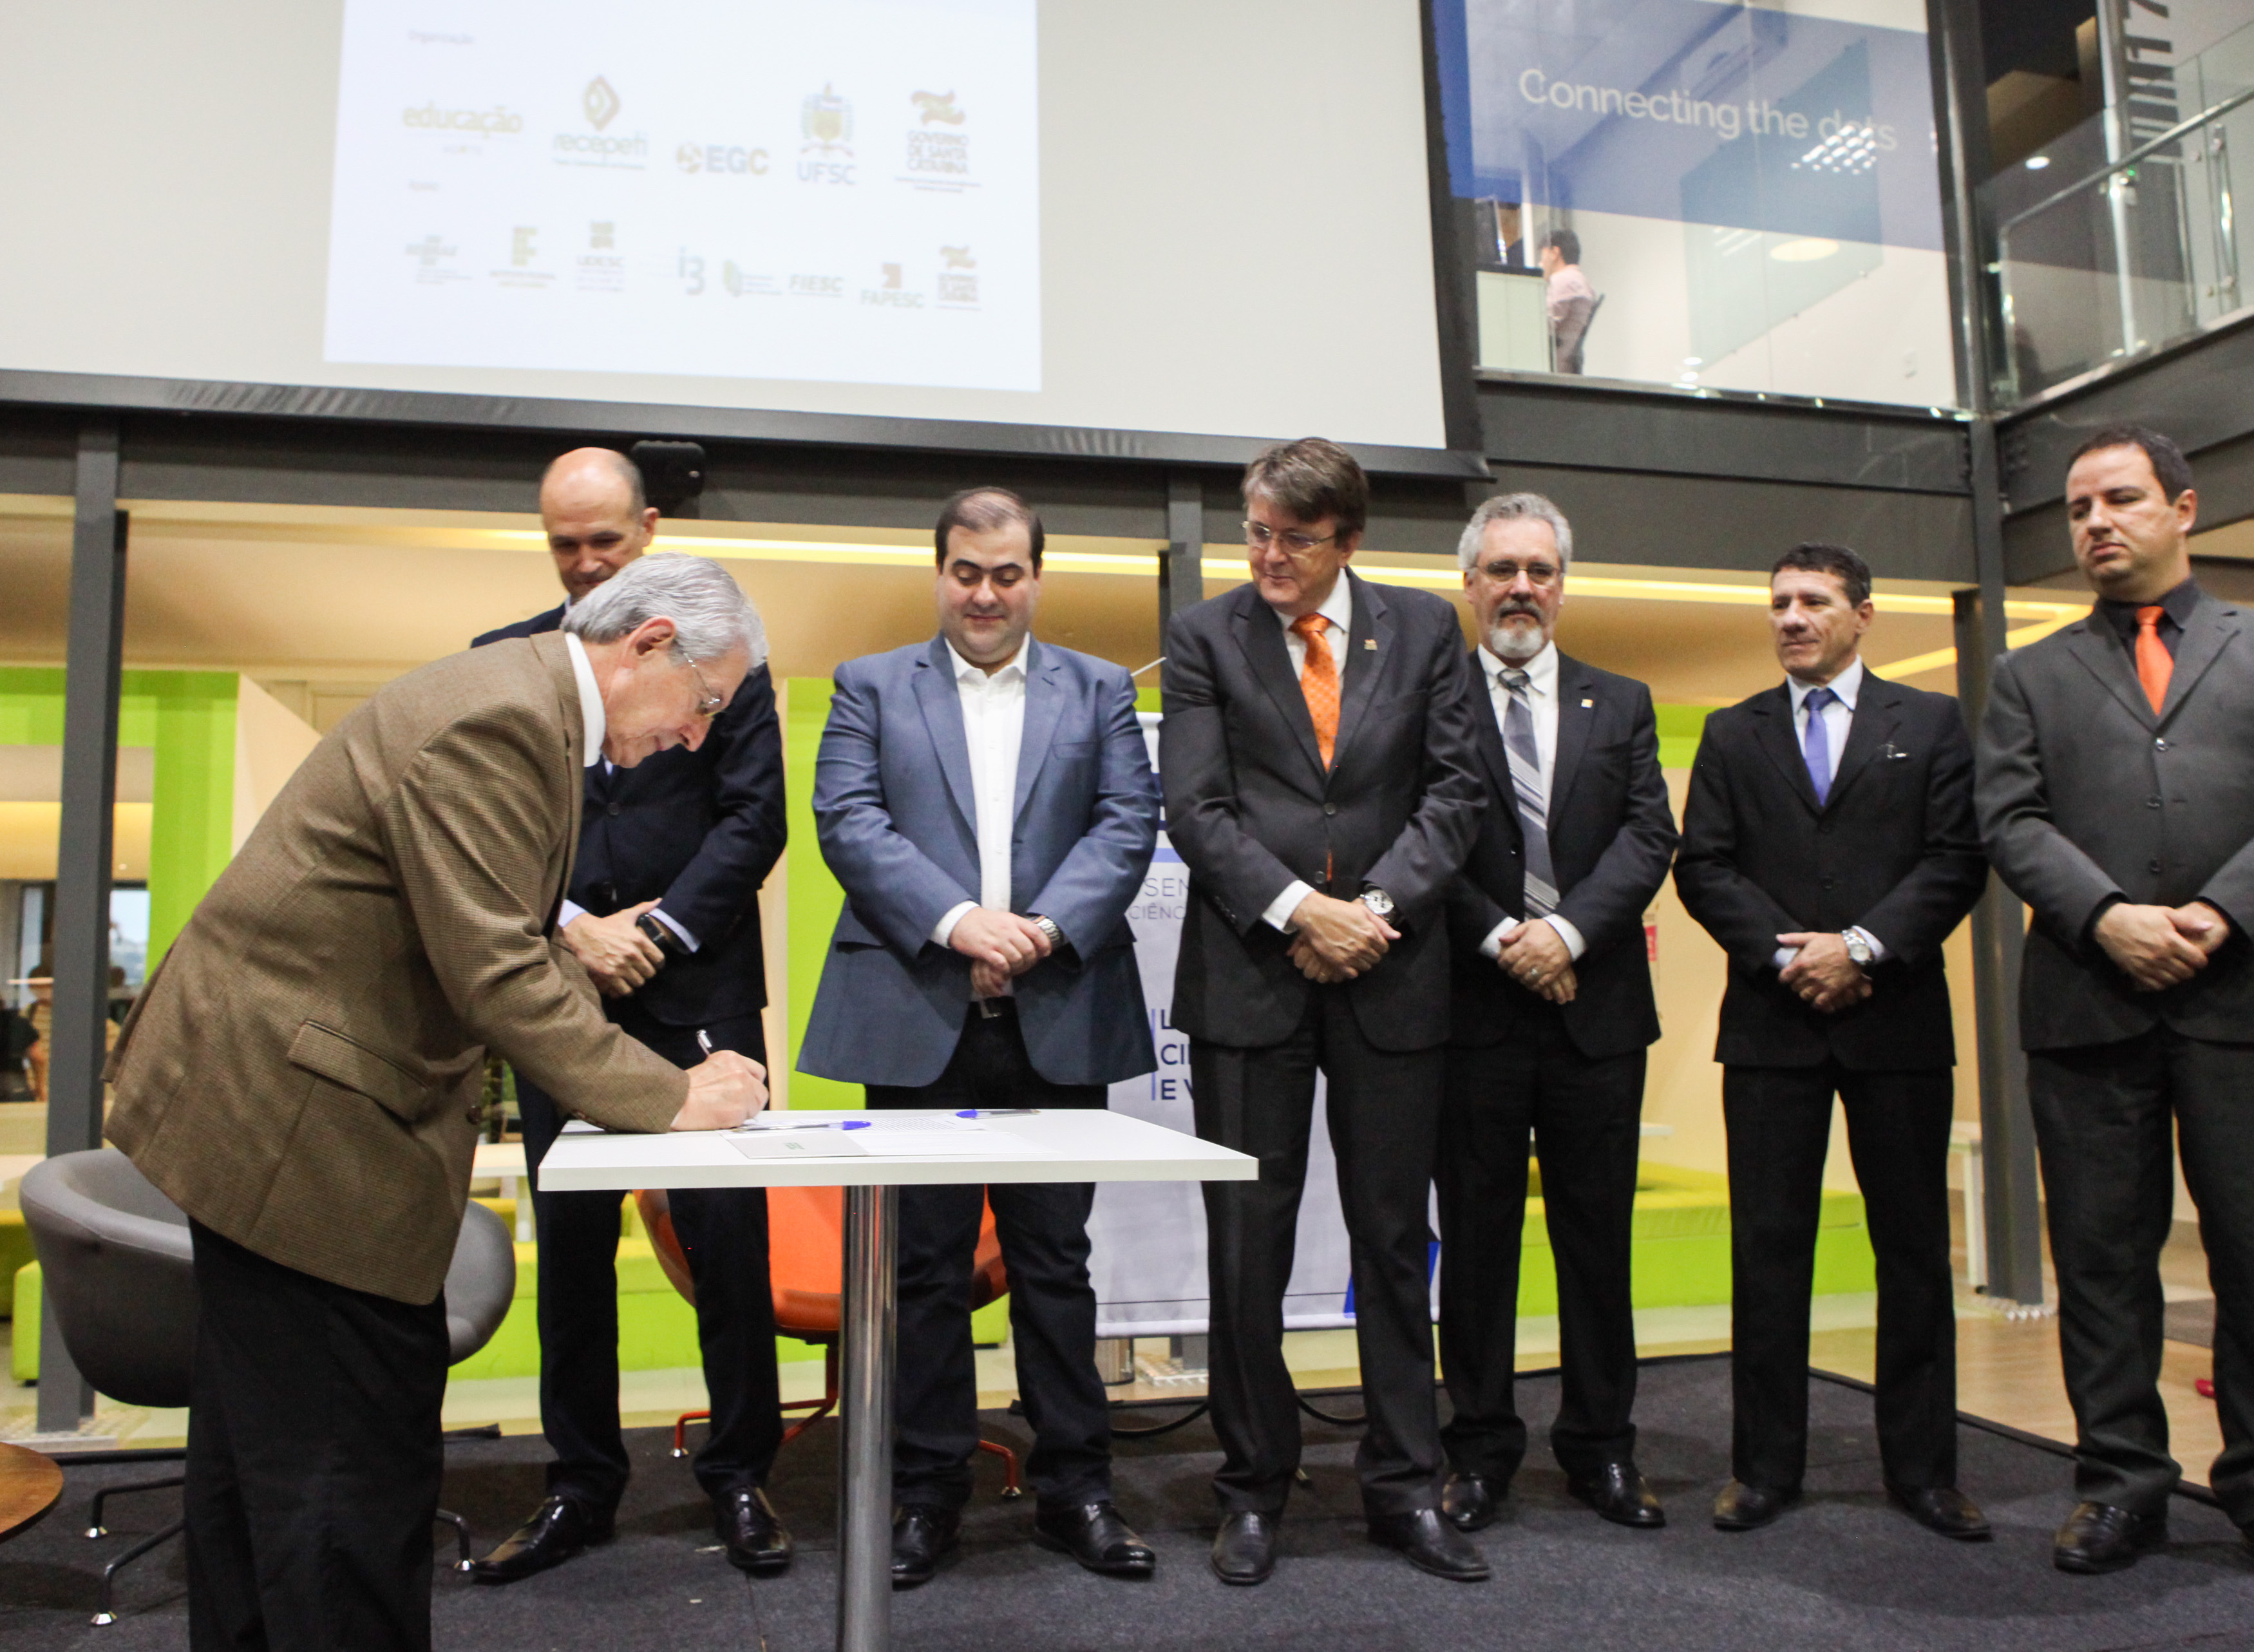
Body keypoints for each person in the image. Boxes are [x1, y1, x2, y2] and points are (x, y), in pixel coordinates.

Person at [103, 553, 769, 1651]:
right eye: (703, 702)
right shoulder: (503, 724)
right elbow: (496, 973)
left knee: (258, 1468)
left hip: (268, 1106)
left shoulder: (521, 703)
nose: (697, 737)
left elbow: (512, 938)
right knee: (344, 1482)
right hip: (300, 1130)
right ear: (650, 644)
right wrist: (672, 1097)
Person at [799, 488, 1162, 1587]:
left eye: (1008, 574)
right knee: (923, 1272)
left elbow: (1127, 824)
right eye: (967, 572)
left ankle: (1076, 1492)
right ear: (940, 573)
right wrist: (961, 923)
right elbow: (847, 820)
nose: (986, 594)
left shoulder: (1099, 689)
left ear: (1036, 577)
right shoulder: (870, 685)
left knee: (1057, 1266)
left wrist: (1039, 932)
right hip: (918, 1014)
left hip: (1059, 1009)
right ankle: (925, 1497)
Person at [1162, 437, 1488, 1585]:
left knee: (1392, 1240)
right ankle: (1253, 1488)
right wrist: (1305, 910)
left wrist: (1373, 912)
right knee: (1246, 1244)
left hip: (1392, 974)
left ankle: (1404, 1486)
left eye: (1294, 539)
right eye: (1256, 532)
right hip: (1251, 975)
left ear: (1348, 541)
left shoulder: (1426, 629)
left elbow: (1457, 793)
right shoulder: (1205, 637)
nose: (1267, 557)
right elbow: (1196, 809)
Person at [468, 450, 793, 1582]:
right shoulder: (506, 663)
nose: (585, 562)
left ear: (648, 530)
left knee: (727, 1245)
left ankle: (740, 1474)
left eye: (604, 541)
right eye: (564, 545)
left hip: (699, 990)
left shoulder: (725, 659)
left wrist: (653, 934)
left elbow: (755, 822)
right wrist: (573, 930)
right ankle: (580, 1484)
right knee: (570, 1251)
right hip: (558, 993)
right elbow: (486, 836)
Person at [1978, 425, 2254, 1573]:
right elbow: (2009, 820)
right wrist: (2108, 917)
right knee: (2099, 1261)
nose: (2096, 522)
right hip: (2087, 1003)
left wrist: (2224, 909)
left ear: (2183, 509)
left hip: (2239, 1000)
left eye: (2121, 499)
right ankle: (2121, 1485)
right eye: (2080, 506)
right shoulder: (2028, 672)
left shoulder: (2252, 644)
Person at [1674, 542, 1988, 1540]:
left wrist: (1858, 947)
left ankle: (1925, 1472)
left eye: (1813, 600)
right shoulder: (1733, 732)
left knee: (1912, 1250)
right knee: (1768, 1249)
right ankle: (1764, 1468)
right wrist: (1791, 955)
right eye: (1779, 603)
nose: (1791, 618)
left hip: (1896, 1019)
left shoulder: (1930, 723)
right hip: (1772, 1026)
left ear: (1863, 614)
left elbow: (1956, 859)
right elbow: (1703, 867)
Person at [1435, 493, 1679, 1535]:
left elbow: (1648, 836)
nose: (1521, 588)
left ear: (1563, 586)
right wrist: (1507, 939)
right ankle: (1479, 1452)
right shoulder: (1429, 702)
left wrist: (1565, 934)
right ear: (1470, 584)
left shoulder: (1620, 702)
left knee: (1597, 1242)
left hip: (1596, 1015)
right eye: (1502, 570)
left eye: (1540, 570)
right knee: (1476, 1246)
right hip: (1471, 1016)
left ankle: (1601, 1448)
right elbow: (1417, 843)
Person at [1540, 229, 1596, 374]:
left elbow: (1542, 326)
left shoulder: (1562, 281)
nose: (1541, 263)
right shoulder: (1582, 282)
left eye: (1543, 257)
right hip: (1567, 369)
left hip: (1553, 369)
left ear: (1555, 253)